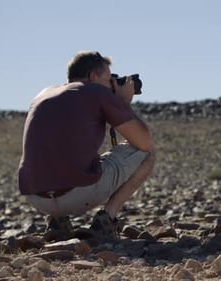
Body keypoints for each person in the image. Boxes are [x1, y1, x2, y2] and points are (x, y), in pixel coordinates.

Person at [17, 51, 155, 241]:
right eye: (109, 79)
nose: (112, 85)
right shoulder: (95, 91)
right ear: (93, 76)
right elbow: (143, 142)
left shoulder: (43, 94)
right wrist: (122, 103)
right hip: (77, 194)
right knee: (147, 154)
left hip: (35, 195)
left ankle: (58, 221)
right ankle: (107, 219)